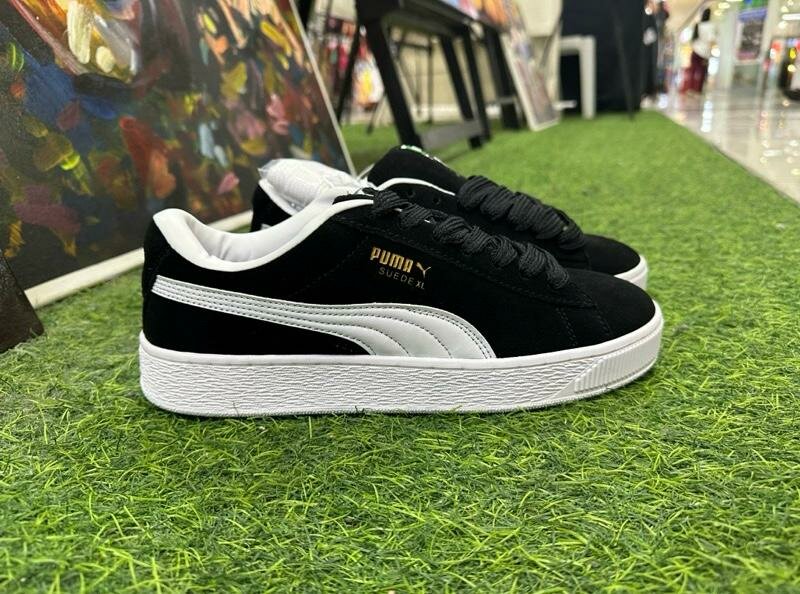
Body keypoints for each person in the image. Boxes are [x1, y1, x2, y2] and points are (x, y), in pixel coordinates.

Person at [682, 8, 714, 94]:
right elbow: (711, 41)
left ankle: (690, 88)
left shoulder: (698, 25)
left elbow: (693, 39)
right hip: (704, 53)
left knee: (692, 70)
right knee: (701, 72)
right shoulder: (710, 26)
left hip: (695, 51)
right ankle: (697, 90)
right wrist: (709, 53)